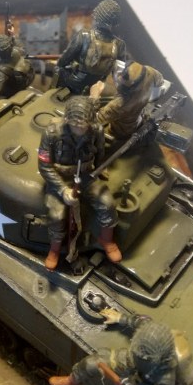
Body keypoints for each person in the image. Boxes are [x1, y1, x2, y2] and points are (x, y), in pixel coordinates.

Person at [38, 96, 121, 269]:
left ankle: (106, 240)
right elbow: (44, 166)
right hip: (59, 178)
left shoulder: (96, 130)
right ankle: (54, 249)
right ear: (67, 120)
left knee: (107, 203)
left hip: (86, 175)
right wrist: (62, 190)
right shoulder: (51, 133)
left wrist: (100, 168)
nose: (79, 128)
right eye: (75, 125)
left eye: (83, 125)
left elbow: (99, 151)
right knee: (57, 215)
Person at [49, 309, 179, 385]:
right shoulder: (150, 333)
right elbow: (139, 321)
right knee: (92, 362)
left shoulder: (166, 377)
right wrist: (119, 317)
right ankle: (72, 380)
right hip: (131, 361)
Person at [54, 0, 126, 95]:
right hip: (99, 86)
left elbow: (63, 61)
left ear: (97, 16)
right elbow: (119, 74)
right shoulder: (120, 44)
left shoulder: (84, 35)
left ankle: (53, 96)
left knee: (58, 69)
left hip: (75, 84)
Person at [90, 61, 164, 140]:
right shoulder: (149, 72)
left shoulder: (120, 104)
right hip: (137, 117)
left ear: (130, 88)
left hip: (121, 131)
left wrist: (94, 96)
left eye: (122, 85)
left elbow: (94, 121)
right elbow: (161, 82)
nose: (119, 78)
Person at [0, 34, 35, 100]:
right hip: (29, 74)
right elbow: (18, 43)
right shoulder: (17, 50)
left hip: (19, 86)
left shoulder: (4, 70)